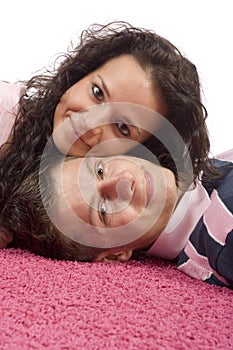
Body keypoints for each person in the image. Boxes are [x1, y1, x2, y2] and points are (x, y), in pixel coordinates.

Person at [0, 21, 215, 216]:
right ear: (80, 75)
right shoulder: (6, 111)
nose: (90, 123)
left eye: (122, 127)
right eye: (97, 93)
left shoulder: (111, 205)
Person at [1, 148, 232, 289]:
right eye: (102, 210)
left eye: (100, 170)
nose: (123, 180)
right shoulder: (223, 233)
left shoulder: (207, 174)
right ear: (114, 255)